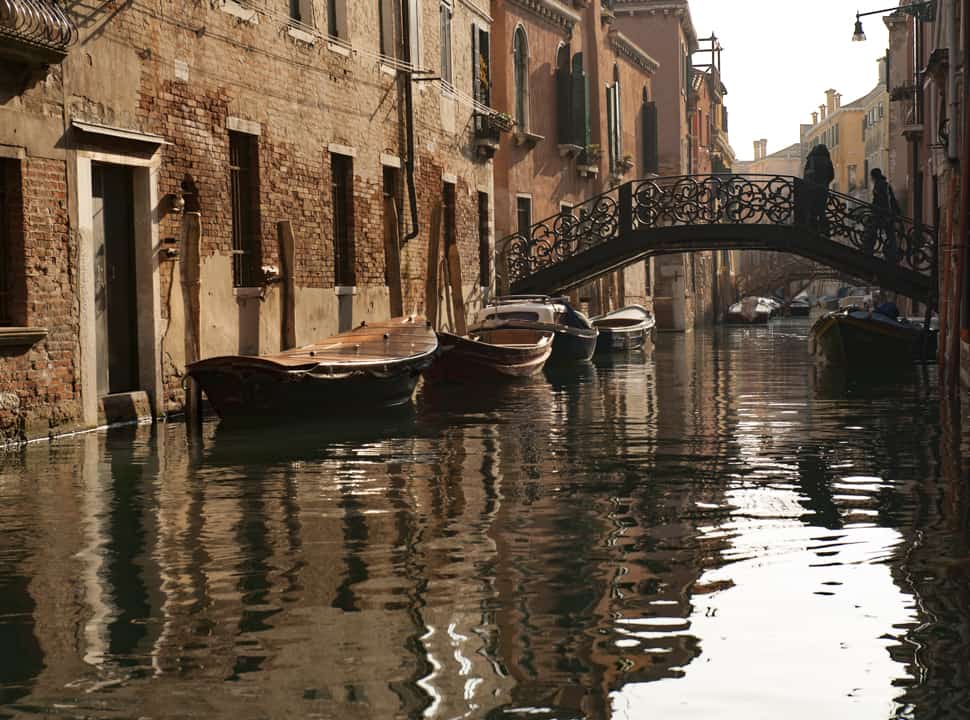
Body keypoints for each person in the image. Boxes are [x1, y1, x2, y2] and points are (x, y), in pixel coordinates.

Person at [867, 168, 900, 262]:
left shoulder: (878, 185)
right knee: (890, 234)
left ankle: (869, 249)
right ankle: (894, 253)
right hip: (888, 213)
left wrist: (873, 206)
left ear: (873, 176)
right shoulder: (885, 184)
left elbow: (880, 199)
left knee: (872, 228)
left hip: (882, 213)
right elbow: (891, 199)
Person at [801, 144, 835, 234]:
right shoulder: (828, 161)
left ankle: (812, 230)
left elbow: (806, 174)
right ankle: (823, 229)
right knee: (821, 209)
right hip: (823, 189)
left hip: (812, 189)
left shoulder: (811, 159)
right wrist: (825, 182)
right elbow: (831, 175)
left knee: (812, 209)